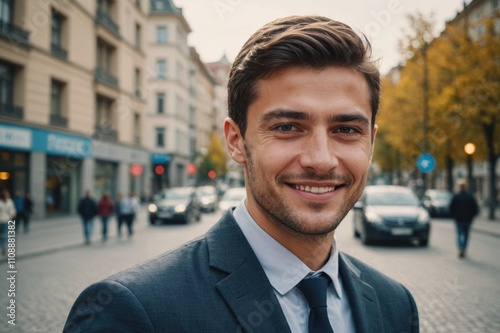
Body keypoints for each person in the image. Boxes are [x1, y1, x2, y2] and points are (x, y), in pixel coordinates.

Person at [64, 15, 419, 332]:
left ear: (371, 142)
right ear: (236, 141)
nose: (321, 160)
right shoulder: (133, 313)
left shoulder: (395, 305)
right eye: (287, 127)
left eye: (346, 130)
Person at [449, 182, 479, 258]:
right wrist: (472, 217)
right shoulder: (470, 196)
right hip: (468, 220)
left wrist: (454, 216)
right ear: (466, 188)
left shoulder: (456, 196)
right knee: (466, 235)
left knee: (459, 234)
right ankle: (464, 248)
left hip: (458, 219)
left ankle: (460, 248)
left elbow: (451, 208)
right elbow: (475, 209)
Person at [0, 189, 16, 256]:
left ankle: (4, 247)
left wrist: (11, 214)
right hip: (0, 221)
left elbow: (13, 211)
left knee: (5, 234)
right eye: (6, 195)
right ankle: (3, 245)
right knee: (2, 234)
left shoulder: (10, 202)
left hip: (7, 220)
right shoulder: (0, 202)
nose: (7, 196)